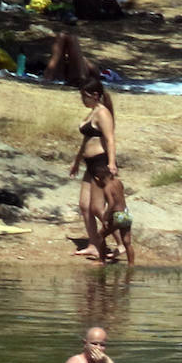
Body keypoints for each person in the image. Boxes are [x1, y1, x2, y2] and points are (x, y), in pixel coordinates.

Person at [68, 77, 117, 262]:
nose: (82, 99)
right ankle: (94, 245)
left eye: (85, 96)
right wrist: (76, 161)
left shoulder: (103, 113)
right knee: (84, 206)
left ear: (95, 95)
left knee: (97, 208)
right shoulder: (91, 113)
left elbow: (110, 139)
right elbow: (86, 140)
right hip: (89, 164)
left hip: (101, 163)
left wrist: (112, 163)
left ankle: (120, 243)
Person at [92, 168, 135, 266]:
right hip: (126, 213)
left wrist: (106, 218)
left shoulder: (107, 188)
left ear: (99, 179)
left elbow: (111, 203)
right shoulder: (118, 182)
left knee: (100, 235)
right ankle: (131, 264)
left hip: (117, 215)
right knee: (127, 242)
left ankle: (101, 260)